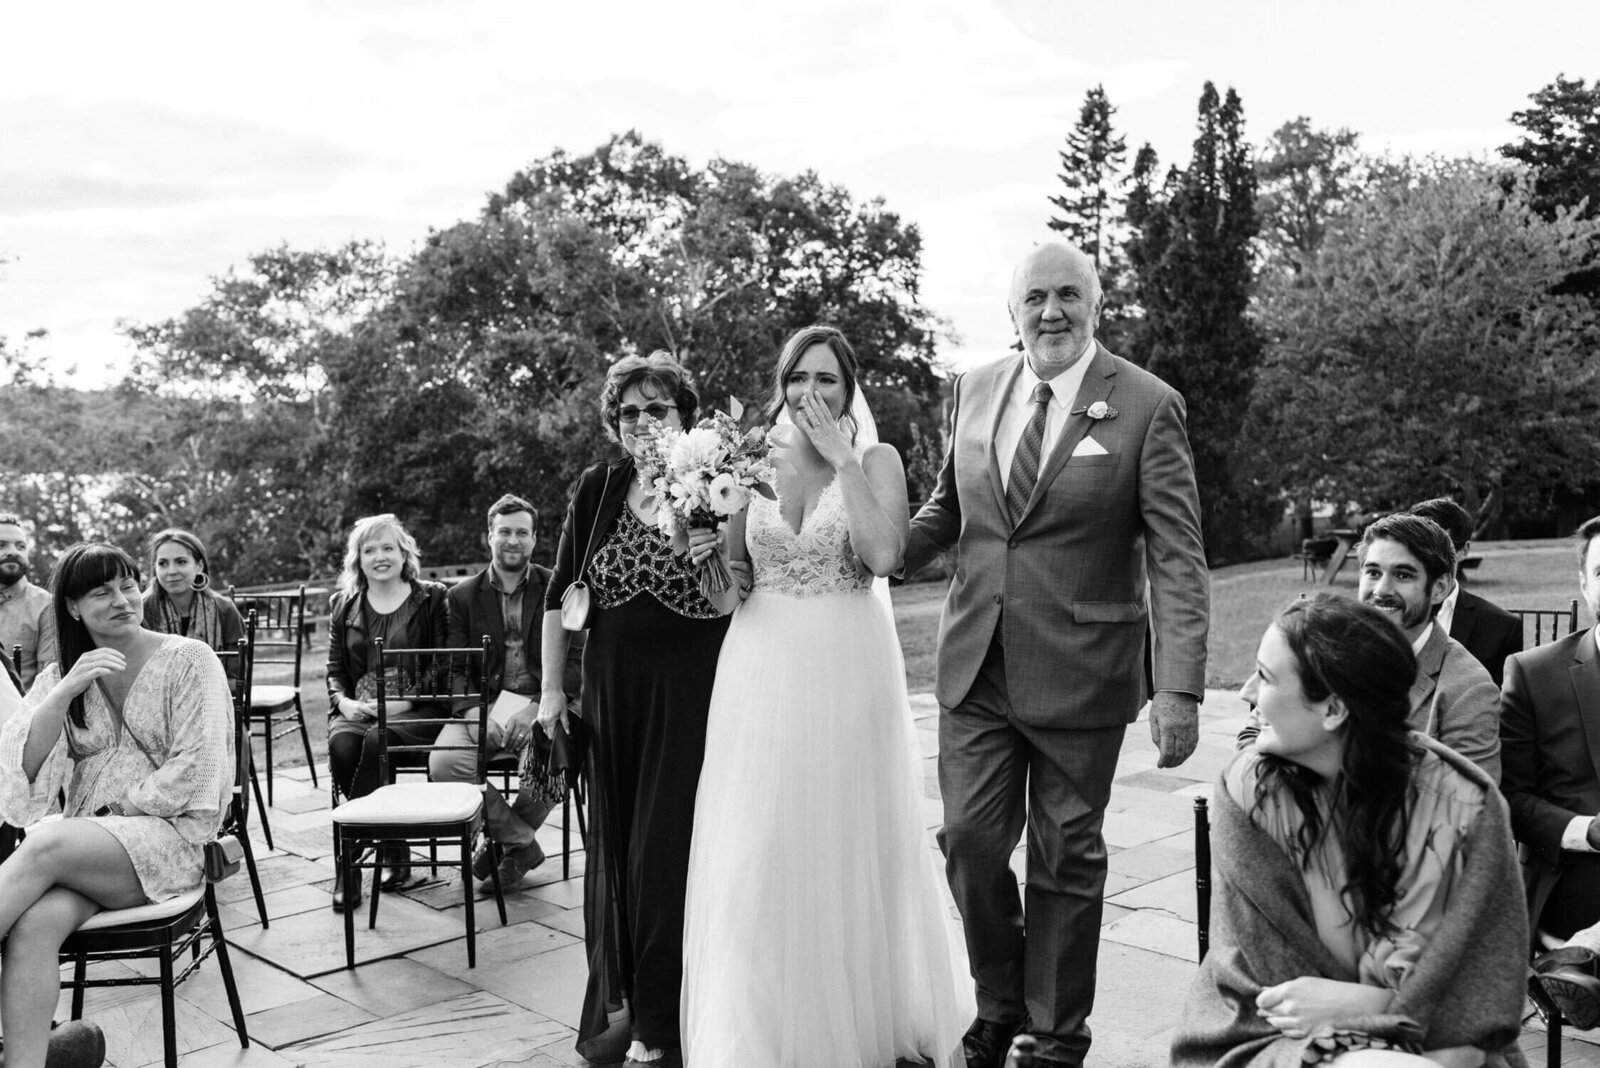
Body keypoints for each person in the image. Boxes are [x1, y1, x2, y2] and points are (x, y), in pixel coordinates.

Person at [900, 240, 1210, 1068]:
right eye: (1034, 297)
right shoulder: (972, 388)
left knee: (1067, 857)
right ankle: (1000, 1002)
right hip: (977, 665)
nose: (1051, 312)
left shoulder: (1147, 405)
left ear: (1096, 304)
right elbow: (950, 504)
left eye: (1068, 294)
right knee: (967, 842)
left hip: (1084, 673)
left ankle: (1055, 1034)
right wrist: (878, 546)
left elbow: (1178, 553)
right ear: (1011, 312)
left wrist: (1179, 687)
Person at [680, 326, 970, 1067]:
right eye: (799, 378)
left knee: (847, 834)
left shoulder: (877, 460)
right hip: (760, 667)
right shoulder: (744, 467)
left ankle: (856, 1012)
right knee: (759, 841)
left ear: (850, 389)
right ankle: (761, 1026)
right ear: (780, 386)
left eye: (828, 380)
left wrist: (844, 460)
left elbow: (883, 556)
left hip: (847, 666)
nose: (812, 393)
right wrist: (704, 554)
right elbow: (727, 597)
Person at [1174, 595, 1528, 1067]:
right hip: (1265, 1039)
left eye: (1267, 677)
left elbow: (1487, 998)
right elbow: (1282, 998)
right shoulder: (1248, 792)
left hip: (1439, 1039)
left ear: (1334, 709)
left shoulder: (1464, 807)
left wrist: (1376, 1006)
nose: (1246, 692)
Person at [538, 352, 733, 1068]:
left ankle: (661, 1023)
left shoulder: (713, 484)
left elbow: (734, 597)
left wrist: (708, 533)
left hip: (693, 696)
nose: (644, 423)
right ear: (614, 425)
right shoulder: (597, 488)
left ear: (685, 416)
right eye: (630, 412)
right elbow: (561, 598)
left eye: (659, 409)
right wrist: (553, 691)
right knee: (619, 853)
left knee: (666, 852)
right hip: (612, 699)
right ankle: (634, 1002)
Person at [0, 543, 233, 1068]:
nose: (123, 599)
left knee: (48, 841)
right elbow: (27, 777)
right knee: (33, 927)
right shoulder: (66, 671)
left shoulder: (189, 659)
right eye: (101, 592)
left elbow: (199, 769)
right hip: (92, 854)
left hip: (172, 840)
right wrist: (64, 691)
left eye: (128, 584)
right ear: (74, 607)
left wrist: (118, 810)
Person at [433, 494, 583, 890]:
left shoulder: (559, 587)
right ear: (489, 537)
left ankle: (502, 854)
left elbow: (578, 659)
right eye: (504, 532)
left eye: (521, 532)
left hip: (543, 700)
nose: (512, 540)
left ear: (535, 540)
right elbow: (455, 666)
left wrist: (536, 705)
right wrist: (472, 713)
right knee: (444, 766)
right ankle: (522, 844)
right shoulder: (462, 596)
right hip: (484, 704)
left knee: (548, 765)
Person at [1500, 514, 1600, 1027]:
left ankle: (1586, 959)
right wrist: (1589, 832)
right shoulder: (1533, 673)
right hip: (1580, 873)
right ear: (1583, 583)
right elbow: (1512, 799)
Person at [325, 513, 448, 911]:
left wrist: (406, 699)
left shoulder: (431, 598)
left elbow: (444, 663)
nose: (380, 556)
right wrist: (343, 702)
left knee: (379, 742)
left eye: (387, 548)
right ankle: (393, 845)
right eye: (369, 549)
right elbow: (334, 671)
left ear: (403, 553)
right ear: (357, 559)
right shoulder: (343, 605)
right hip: (359, 708)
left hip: (417, 711)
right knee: (344, 745)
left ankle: (351, 860)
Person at [1356, 514, 1501, 781]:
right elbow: (1256, 732)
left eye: (1402, 575)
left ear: (1440, 588)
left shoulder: (1468, 690)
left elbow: (1469, 808)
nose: (1381, 590)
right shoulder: (1325, 646)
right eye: (1373, 572)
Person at [1408, 498, 1521, 687]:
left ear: (1463, 551)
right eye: (1415, 546)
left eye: (1438, 547)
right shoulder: (1381, 616)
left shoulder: (1501, 628)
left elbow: (1502, 709)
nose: (1425, 557)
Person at [140, 528, 246, 686]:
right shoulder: (142, 610)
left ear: (199, 566)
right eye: (163, 563)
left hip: (215, 701)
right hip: (154, 702)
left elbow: (237, 676)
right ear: (155, 568)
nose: (171, 571)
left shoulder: (224, 609)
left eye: (181, 561)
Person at [0, 513, 56, 690]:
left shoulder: (46, 606)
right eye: (1, 545)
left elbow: (48, 685)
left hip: (22, 714)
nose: (13, 552)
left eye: (20, 546)